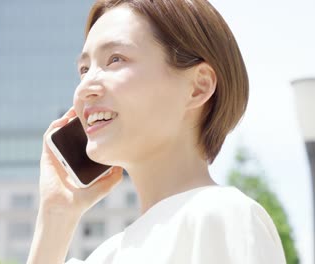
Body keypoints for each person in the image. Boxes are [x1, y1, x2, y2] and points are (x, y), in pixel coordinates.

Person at [26, 0, 286, 263]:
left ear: (198, 86)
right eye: (84, 70)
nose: (84, 89)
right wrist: (56, 214)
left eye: (115, 59)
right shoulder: (105, 255)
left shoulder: (221, 216)